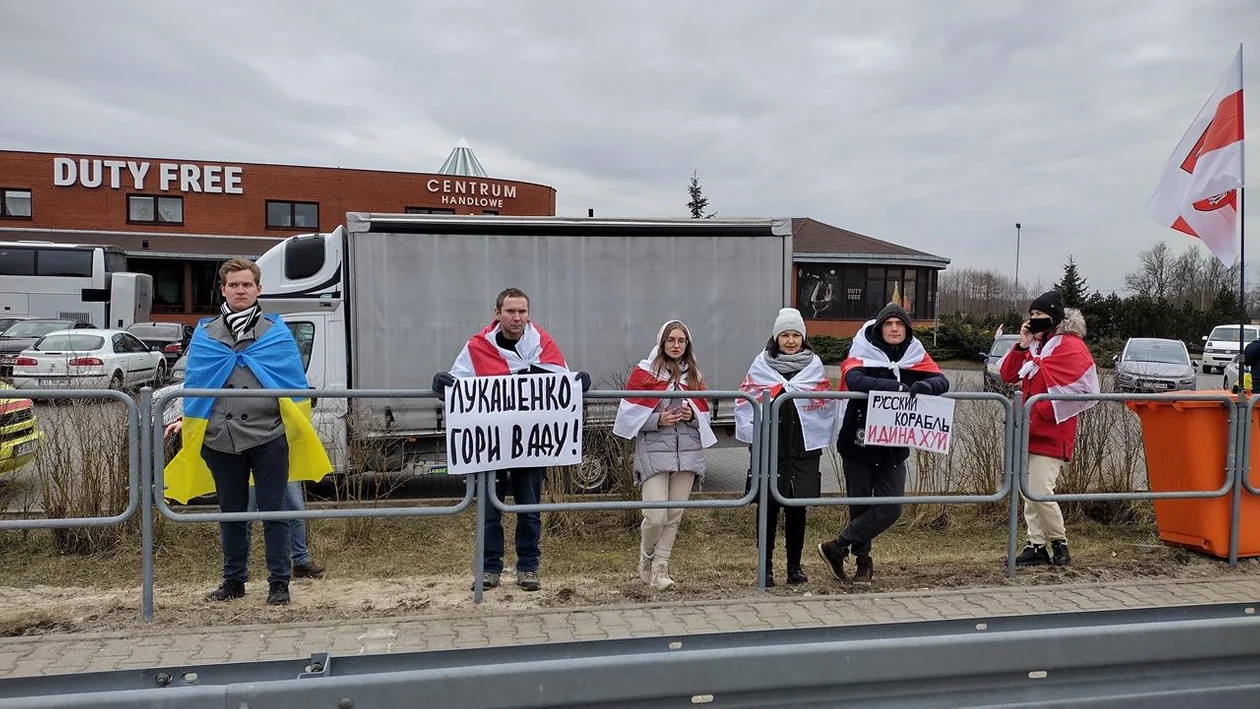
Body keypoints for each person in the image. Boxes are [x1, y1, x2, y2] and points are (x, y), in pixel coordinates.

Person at [163, 258, 332, 605]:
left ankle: (279, 583)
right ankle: (233, 582)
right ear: (223, 289)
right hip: (221, 439)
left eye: (246, 285)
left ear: (258, 289)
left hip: (269, 436)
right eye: (233, 285)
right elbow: (197, 383)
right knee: (232, 514)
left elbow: (292, 383)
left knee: (274, 513)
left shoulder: (276, 332)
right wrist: (186, 417)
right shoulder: (206, 335)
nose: (240, 290)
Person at [431, 288, 590, 592]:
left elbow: (560, 380)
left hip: (529, 446)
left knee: (529, 510)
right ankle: (490, 568)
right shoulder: (477, 347)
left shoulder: (542, 344)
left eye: (522, 312)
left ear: (528, 314)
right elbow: (458, 380)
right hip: (490, 447)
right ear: (497, 313)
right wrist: (442, 384)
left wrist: (577, 382)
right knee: (489, 511)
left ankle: (528, 568)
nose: (517, 317)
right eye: (510, 311)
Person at [817, 302, 948, 583]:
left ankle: (838, 546)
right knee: (860, 506)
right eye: (888, 324)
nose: (894, 329)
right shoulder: (862, 350)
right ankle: (863, 564)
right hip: (859, 442)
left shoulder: (914, 354)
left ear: (907, 330)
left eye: (899, 324)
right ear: (879, 328)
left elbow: (941, 380)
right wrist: (898, 388)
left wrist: (925, 386)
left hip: (893, 445)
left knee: (891, 506)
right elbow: (854, 379)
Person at [161, 383, 325, 579]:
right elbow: (211, 391)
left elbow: (288, 385)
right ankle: (238, 572)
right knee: (243, 514)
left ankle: (299, 561)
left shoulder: (270, 356)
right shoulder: (222, 358)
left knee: (292, 509)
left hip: (272, 443)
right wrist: (186, 420)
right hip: (237, 446)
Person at [735, 308, 838, 587]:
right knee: (767, 509)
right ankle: (765, 568)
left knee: (797, 509)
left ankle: (794, 567)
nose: (790, 341)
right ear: (776, 337)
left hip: (803, 451)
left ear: (803, 338)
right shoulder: (761, 366)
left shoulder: (814, 367)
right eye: (785, 335)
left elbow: (825, 403)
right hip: (771, 449)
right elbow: (745, 401)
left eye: (795, 335)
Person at [613, 320, 716, 590]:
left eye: (681, 341)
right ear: (662, 342)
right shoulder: (644, 373)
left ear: (687, 344)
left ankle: (661, 568)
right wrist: (659, 420)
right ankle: (646, 557)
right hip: (654, 452)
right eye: (671, 340)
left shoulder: (694, 375)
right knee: (655, 515)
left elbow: (705, 415)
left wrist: (691, 415)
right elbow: (628, 417)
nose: (676, 345)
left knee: (674, 514)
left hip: (688, 453)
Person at [999, 290, 1099, 567]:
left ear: (1054, 317)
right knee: (1027, 491)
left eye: (1040, 315)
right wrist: (1021, 346)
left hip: (1054, 428)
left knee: (1040, 490)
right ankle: (1036, 545)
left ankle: (1059, 542)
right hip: (1028, 429)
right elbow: (1008, 375)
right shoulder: (1035, 346)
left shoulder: (1070, 346)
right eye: (1031, 315)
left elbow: (1080, 389)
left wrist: (1037, 410)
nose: (1034, 320)